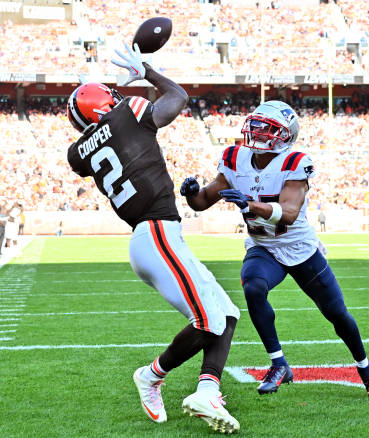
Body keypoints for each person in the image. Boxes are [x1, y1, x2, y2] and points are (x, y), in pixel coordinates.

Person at [66, 43, 241, 434]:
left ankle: (208, 389)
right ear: (107, 104)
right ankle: (150, 375)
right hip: (156, 232)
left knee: (226, 315)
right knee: (208, 319)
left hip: (153, 238)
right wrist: (146, 71)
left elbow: (90, 141)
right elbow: (177, 97)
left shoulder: (79, 152)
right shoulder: (128, 111)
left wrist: (99, 103)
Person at [181, 100, 369, 400]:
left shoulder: (294, 162)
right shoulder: (234, 157)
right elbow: (202, 202)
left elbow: (289, 213)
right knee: (252, 286)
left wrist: (249, 204)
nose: (257, 133)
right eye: (255, 126)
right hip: (263, 246)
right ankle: (279, 364)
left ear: (284, 135)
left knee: (337, 314)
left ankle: (367, 371)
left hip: (299, 247)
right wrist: (191, 194)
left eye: (266, 129)